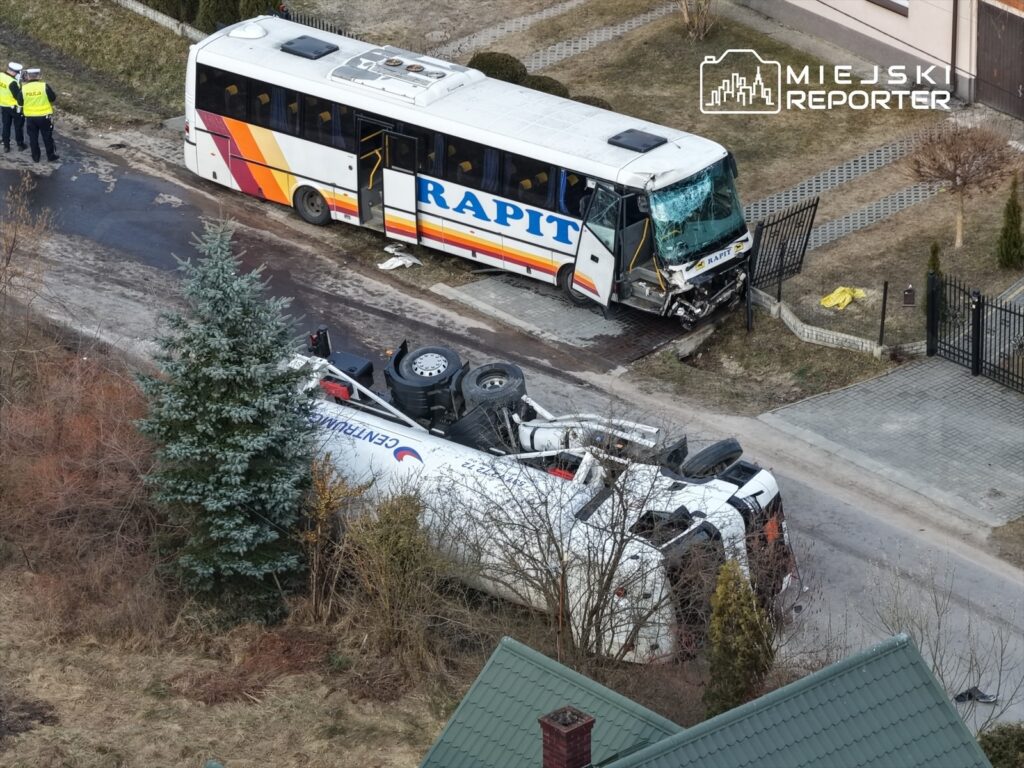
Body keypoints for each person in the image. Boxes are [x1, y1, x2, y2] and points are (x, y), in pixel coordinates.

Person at [19, 67, 58, 163]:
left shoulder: (23, 88)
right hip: (44, 116)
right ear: (39, 76)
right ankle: (50, 156)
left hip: (30, 118)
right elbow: (52, 98)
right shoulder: (44, 86)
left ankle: (36, 157)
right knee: (47, 136)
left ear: (28, 77)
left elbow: (20, 102)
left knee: (33, 137)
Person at [0, 61, 27, 153]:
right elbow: (18, 96)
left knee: (6, 125)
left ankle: (6, 146)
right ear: (15, 72)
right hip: (15, 108)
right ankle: (20, 144)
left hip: (3, 105)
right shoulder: (12, 82)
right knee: (18, 126)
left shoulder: (1, 76)